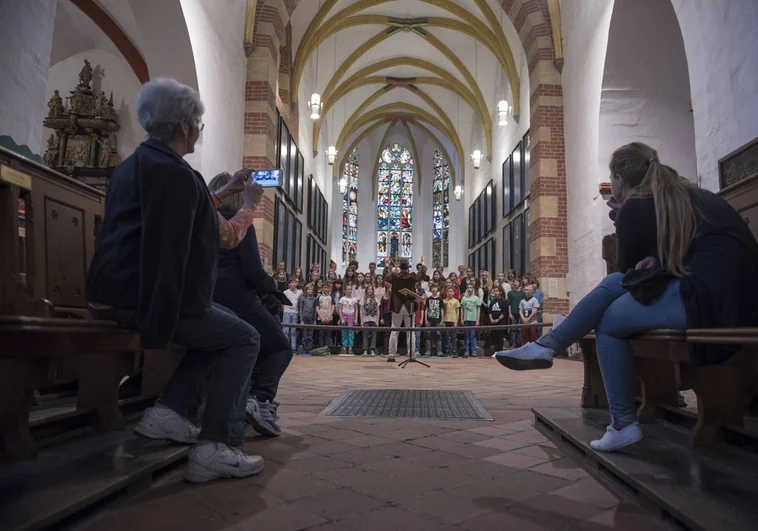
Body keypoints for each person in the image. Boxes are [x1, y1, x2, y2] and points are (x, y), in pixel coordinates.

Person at [495, 142, 758, 452]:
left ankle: (618, 419)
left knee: (610, 319)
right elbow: (687, 255)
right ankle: (548, 348)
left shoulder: (640, 205)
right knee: (616, 286)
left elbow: (628, 268)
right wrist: (658, 263)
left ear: (618, 178)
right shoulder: (682, 195)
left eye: (612, 179)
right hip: (731, 296)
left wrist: (624, 222)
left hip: (716, 304)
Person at [86, 78, 264, 482]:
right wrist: (249, 206)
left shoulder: (135, 165)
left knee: (222, 332)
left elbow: (190, 207)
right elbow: (226, 236)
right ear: (183, 125)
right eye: (198, 123)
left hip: (111, 291)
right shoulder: (179, 176)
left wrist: (223, 190)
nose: (200, 130)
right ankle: (219, 445)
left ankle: (168, 414)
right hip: (146, 298)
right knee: (245, 337)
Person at [208, 172, 293, 439]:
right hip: (239, 299)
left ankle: (248, 397)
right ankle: (259, 399)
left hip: (210, 299)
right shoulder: (241, 224)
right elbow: (252, 273)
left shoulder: (203, 220)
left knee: (252, 343)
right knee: (279, 347)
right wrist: (275, 289)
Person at [383, 256, 428, 362]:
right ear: (408, 267)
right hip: (409, 306)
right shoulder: (412, 277)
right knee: (410, 331)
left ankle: (392, 355)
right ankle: (411, 355)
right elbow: (421, 275)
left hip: (397, 307)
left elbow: (385, 276)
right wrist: (423, 263)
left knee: (394, 330)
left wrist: (387, 265)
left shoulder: (394, 276)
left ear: (399, 267)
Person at [460, 284, 482, 357]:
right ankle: (466, 350)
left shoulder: (476, 298)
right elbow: (462, 309)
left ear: (473, 289)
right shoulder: (464, 298)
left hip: (473, 319)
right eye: (468, 288)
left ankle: (474, 351)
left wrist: (477, 320)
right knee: (466, 335)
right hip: (466, 319)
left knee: (473, 335)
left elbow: (478, 309)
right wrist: (462, 319)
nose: (469, 289)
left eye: (470, 288)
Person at [282, 279, 302, 352]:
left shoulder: (300, 293)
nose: (294, 284)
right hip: (287, 311)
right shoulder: (285, 292)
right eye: (292, 282)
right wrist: (284, 311)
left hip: (295, 312)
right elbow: (282, 303)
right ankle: (285, 346)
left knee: (293, 331)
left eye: (295, 282)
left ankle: (293, 347)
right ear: (289, 284)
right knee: (285, 330)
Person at [360, 284, 379, 356]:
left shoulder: (376, 300)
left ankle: (372, 349)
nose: (370, 291)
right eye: (368, 289)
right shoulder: (363, 299)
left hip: (373, 320)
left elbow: (378, 311)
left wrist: (377, 320)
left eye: (371, 289)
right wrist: (361, 321)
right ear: (366, 291)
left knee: (374, 335)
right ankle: (365, 350)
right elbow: (361, 311)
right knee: (365, 334)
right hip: (365, 319)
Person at [424, 283, 443, 357]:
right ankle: (428, 351)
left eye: (435, 287)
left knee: (438, 335)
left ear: (437, 289)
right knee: (428, 335)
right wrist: (425, 319)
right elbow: (426, 309)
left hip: (438, 319)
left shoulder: (440, 299)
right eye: (432, 288)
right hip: (429, 319)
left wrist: (442, 320)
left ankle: (439, 351)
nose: (434, 289)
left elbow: (442, 310)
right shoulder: (428, 299)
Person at [338, 285, 358, 354]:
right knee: (344, 332)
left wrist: (356, 319)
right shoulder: (342, 299)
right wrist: (341, 318)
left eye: (350, 289)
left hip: (351, 317)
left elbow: (356, 309)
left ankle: (350, 348)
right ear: (345, 290)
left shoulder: (354, 299)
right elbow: (340, 309)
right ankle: (344, 347)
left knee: (351, 333)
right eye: (348, 289)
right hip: (345, 316)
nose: (349, 290)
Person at [299, 284, 318, 354]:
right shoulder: (302, 298)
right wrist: (301, 320)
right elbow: (300, 309)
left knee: (310, 335)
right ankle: (304, 349)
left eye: (312, 290)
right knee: (304, 335)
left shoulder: (314, 299)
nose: (310, 291)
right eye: (309, 289)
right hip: (304, 317)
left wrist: (315, 320)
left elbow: (315, 310)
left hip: (311, 318)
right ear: (306, 290)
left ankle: (309, 350)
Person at [442, 287, 461, 357]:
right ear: (446, 293)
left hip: (453, 321)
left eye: (451, 291)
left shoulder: (456, 301)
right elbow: (443, 311)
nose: (449, 293)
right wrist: (443, 321)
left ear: (453, 293)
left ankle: (454, 351)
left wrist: (456, 322)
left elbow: (458, 312)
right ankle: (447, 351)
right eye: (448, 291)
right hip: (446, 320)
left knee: (453, 337)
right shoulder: (444, 301)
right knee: (447, 337)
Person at [316, 282, 335, 348]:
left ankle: (326, 349)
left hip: (329, 318)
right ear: (322, 288)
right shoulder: (319, 297)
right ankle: (321, 348)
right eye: (324, 287)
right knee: (321, 334)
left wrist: (329, 317)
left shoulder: (331, 297)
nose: (326, 289)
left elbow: (333, 307)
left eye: (327, 288)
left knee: (328, 334)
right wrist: (321, 318)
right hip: (320, 318)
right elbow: (317, 308)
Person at [489, 285, 508, 351]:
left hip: (501, 322)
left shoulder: (504, 301)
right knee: (494, 336)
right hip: (493, 322)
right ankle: (495, 350)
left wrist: (498, 319)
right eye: (494, 291)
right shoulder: (492, 301)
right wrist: (491, 319)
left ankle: (500, 350)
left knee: (500, 337)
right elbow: (490, 311)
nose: (495, 293)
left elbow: (504, 312)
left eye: (497, 291)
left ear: (500, 292)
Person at [507, 279, 525, 346]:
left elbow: (523, 303)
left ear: (519, 283)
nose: (515, 283)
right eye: (514, 282)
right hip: (513, 313)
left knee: (519, 328)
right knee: (513, 329)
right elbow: (509, 304)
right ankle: (513, 342)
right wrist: (510, 313)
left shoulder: (522, 293)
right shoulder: (510, 293)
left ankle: (519, 342)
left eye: (517, 282)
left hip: (520, 313)